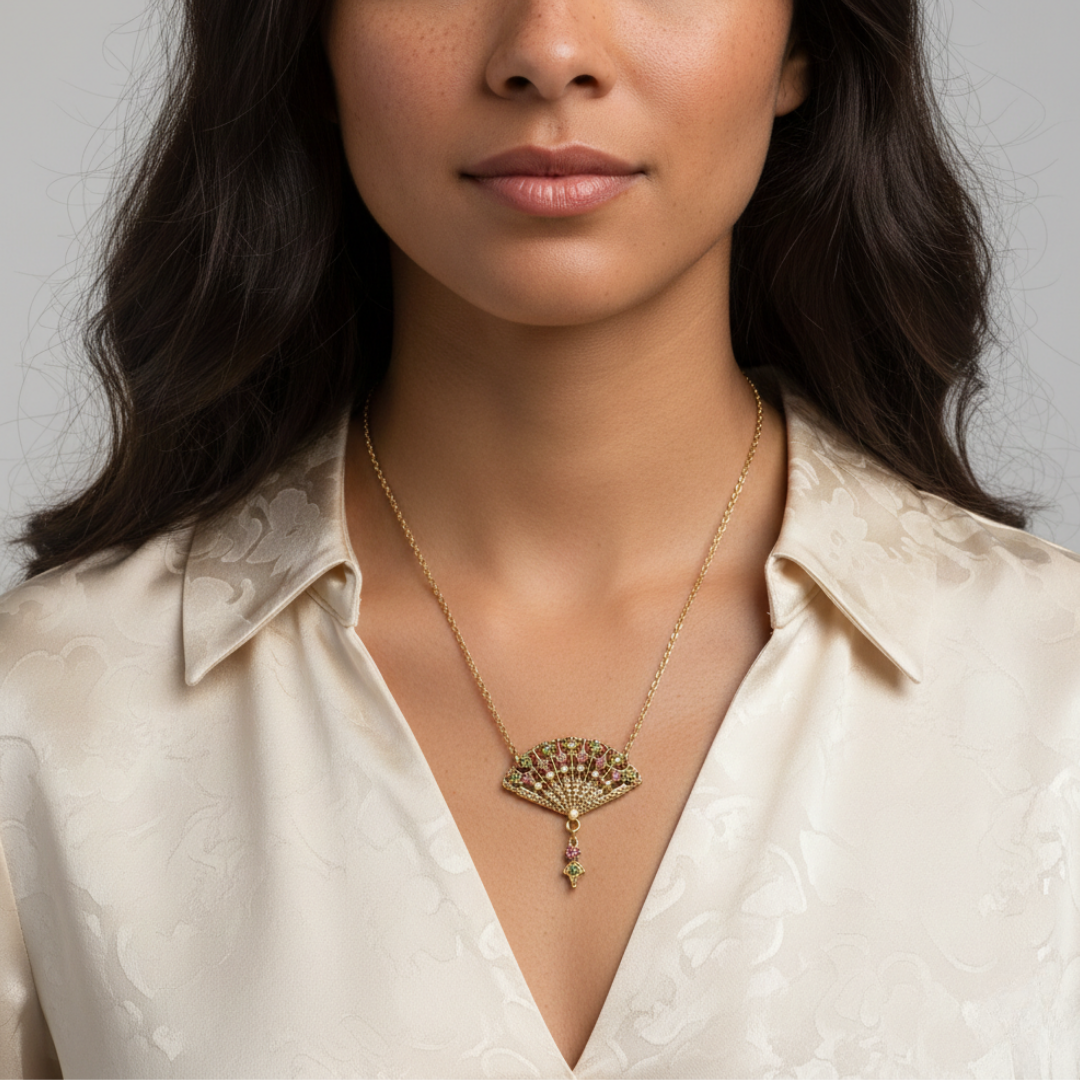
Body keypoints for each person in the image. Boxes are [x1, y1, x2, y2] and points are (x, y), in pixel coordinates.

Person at [2, 0, 1078, 1075]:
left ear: (804, 43)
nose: (549, 53)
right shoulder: (45, 725)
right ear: (306, 37)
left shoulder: (1054, 694)